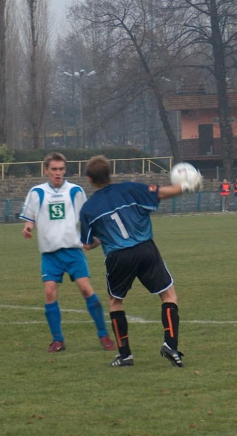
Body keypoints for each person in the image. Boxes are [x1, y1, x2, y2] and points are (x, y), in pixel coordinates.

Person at [79, 155, 201, 368]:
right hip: (146, 250)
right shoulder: (131, 189)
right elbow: (161, 193)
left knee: (116, 302)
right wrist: (186, 186)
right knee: (168, 295)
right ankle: (170, 345)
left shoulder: (88, 209)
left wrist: (102, 238)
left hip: (118, 257)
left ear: (89, 178)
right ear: (110, 173)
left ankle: (125, 355)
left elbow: (88, 244)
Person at [20, 152, 114, 353]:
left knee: (86, 289)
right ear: (46, 170)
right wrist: (28, 227)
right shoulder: (36, 192)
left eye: (61, 169)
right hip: (50, 254)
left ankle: (104, 335)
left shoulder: (75, 191)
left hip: (73, 251)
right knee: (49, 292)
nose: (58, 173)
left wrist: (95, 237)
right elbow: (30, 218)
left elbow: (87, 217)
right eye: (54, 169)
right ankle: (58, 340)